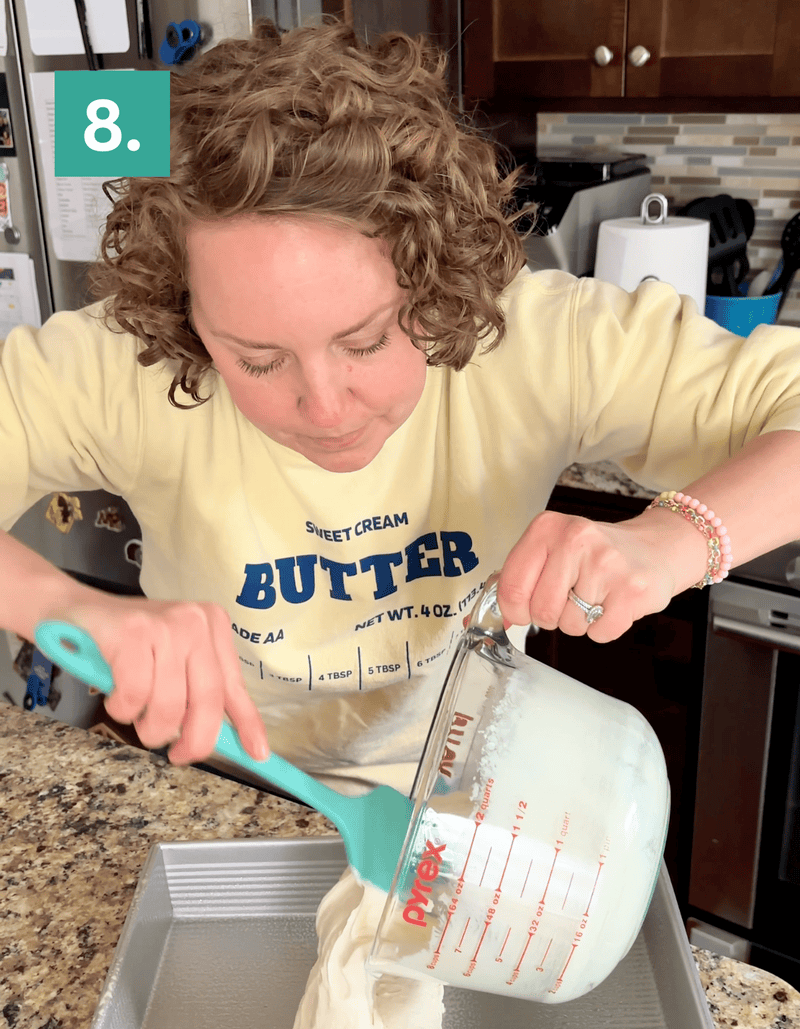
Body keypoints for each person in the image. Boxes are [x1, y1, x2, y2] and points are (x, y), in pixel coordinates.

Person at [1, 19, 799, 796]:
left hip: (465, 791)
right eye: (257, 359)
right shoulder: (124, 361)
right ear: (186, 318)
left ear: (438, 280)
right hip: (231, 789)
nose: (324, 406)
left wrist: (675, 539)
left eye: (367, 340)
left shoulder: (543, 338)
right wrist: (65, 606)